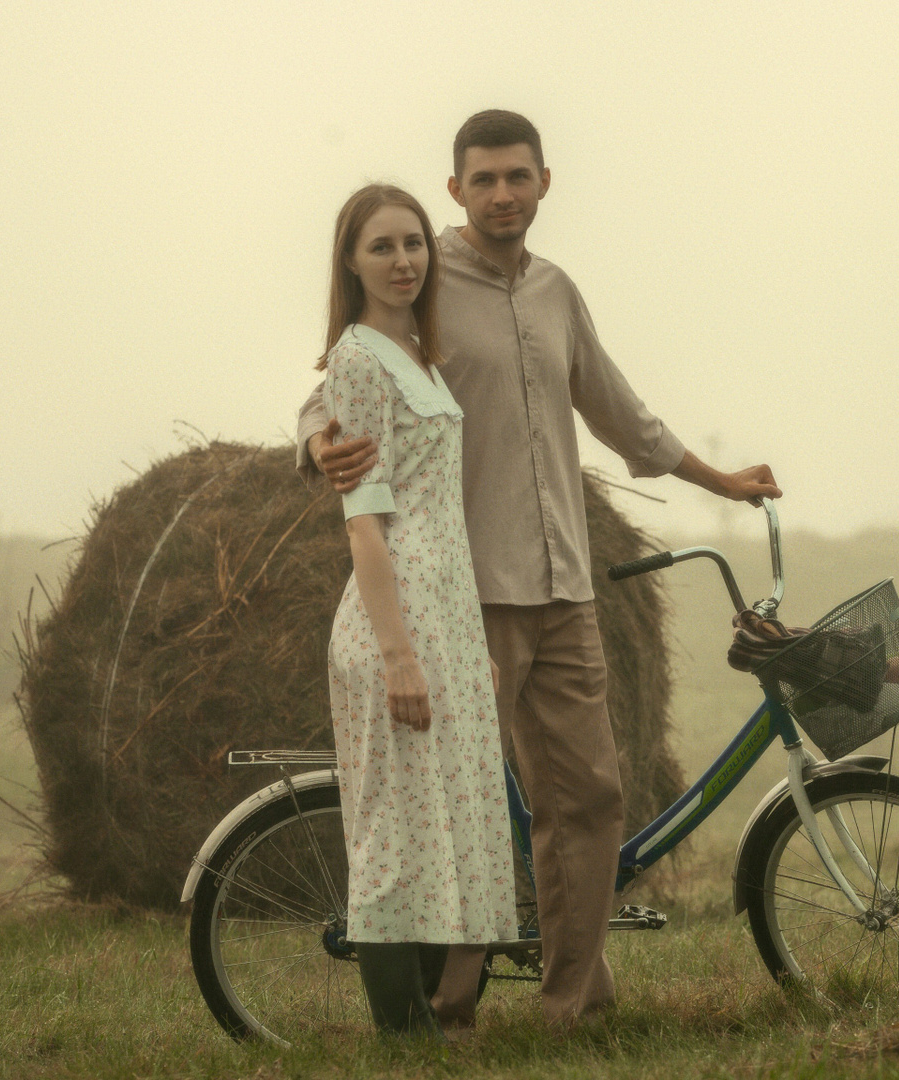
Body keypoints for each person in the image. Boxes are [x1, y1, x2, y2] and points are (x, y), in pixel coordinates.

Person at [298, 111, 781, 1029]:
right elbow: (338, 383)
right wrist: (318, 440)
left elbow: (619, 410)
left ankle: (574, 1007)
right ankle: (446, 1005)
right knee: (461, 805)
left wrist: (717, 479)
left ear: (545, 183)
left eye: (518, 177)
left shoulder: (558, 291)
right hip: (464, 594)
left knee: (590, 796)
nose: (502, 195)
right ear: (456, 190)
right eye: (483, 180)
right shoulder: (424, 275)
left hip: (565, 585)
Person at [316, 183, 517, 1040]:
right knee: (396, 833)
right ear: (350, 262)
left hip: (446, 615)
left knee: (446, 823)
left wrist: (466, 642)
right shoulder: (358, 359)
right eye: (382, 247)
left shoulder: (417, 356)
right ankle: (403, 1038)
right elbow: (365, 523)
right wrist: (398, 654)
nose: (403, 261)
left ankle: (438, 1019)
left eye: (413, 244)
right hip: (394, 618)